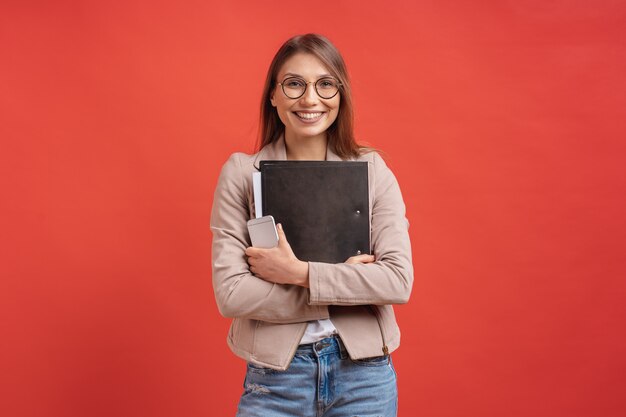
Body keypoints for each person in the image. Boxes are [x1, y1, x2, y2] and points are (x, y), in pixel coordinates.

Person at [210, 33, 413, 417]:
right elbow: (232, 294)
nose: (310, 99)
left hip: (364, 378)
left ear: (340, 94)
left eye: (325, 84)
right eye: (294, 84)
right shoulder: (240, 173)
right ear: (273, 95)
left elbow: (396, 281)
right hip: (276, 379)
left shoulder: (371, 170)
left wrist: (297, 273)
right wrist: (344, 289)